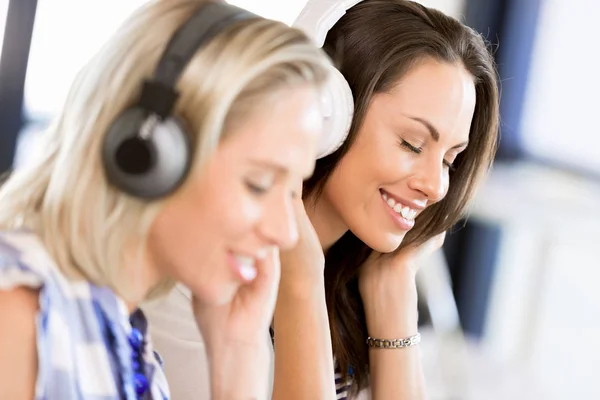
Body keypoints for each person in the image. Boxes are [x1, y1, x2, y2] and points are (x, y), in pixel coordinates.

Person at [143, 0, 500, 399]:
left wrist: (393, 289)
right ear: (327, 112)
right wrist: (300, 281)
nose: (435, 186)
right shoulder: (196, 273)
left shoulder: (352, 284)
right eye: (412, 143)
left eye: (450, 159)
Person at [0, 0, 333, 398]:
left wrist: (238, 357)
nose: (285, 233)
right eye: (259, 183)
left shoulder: (132, 347)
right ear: (149, 152)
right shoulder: (21, 314)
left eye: (293, 190)